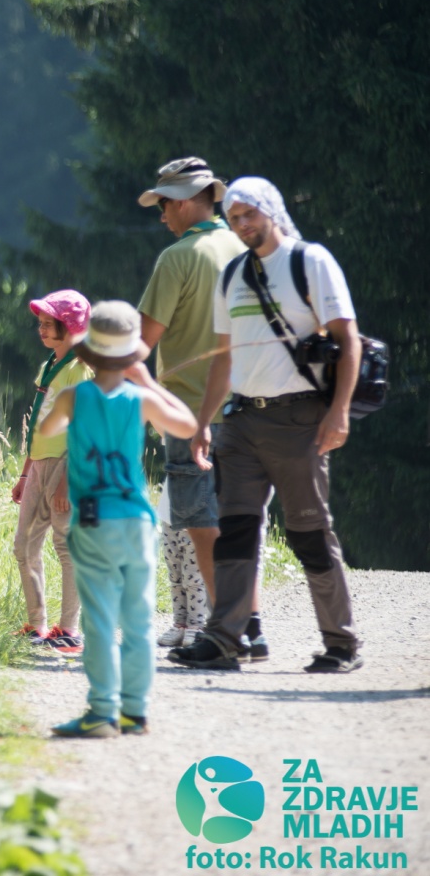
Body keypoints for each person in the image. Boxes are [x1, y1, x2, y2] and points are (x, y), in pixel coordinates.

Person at [173, 177, 363, 673]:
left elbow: (349, 340)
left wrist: (339, 410)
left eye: (249, 214)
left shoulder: (310, 261)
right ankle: (225, 640)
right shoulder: (232, 274)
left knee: (309, 532)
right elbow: (222, 359)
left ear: (271, 211)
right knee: (234, 530)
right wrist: (204, 424)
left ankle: (340, 644)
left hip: (300, 420)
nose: (242, 225)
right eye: (234, 217)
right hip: (241, 422)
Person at [38, 301, 198, 738]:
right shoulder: (141, 399)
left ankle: (100, 712)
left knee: (99, 619)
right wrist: (147, 382)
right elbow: (186, 425)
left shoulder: (75, 396)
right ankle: (134, 712)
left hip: (91, 518)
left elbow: (45, 431)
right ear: (133, 355)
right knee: (138, 618)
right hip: (135, 519)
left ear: (88, 352)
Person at [134, 157, 250, 648]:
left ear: (184, 202)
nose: (161, 215)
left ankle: (222, 631)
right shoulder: (243, 246)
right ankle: (248, 625)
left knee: (201, 524)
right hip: (247, 408)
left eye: (163, 205)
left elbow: (140, 341)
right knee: (240, 521)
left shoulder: (177, 258)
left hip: (188, 413)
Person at [10, 290, 93, 654]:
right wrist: (26, 472)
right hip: (39, 463)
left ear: (71, 325)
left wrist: (66, 481)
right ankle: (37, 624)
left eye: (49, 324)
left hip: (65, 464)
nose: (41, 330)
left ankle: (70, 630)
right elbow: (38, 422)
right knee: (24, 544)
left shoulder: (83, 368)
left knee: (65, 545)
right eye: (40, 323)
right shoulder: (50, 364)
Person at [156, 481, 209, 647]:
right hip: (169, 517)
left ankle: (196, 625)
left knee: (194, 578)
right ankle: (180, 624)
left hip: (197, 519)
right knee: (175, 577)